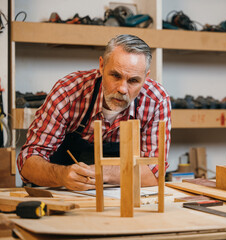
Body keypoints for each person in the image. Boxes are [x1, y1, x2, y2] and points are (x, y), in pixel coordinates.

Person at [17, 34, 171, 191]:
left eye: (133, 81)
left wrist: (101, 173)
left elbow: (155, 172)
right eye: (115, 76)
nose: (122, 89)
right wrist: (62, 175)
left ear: (146, 77)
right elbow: (27, 162)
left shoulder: (156, 100)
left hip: (118, 199)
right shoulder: (68, 93)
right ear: (102, 66)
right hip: (63, 194)